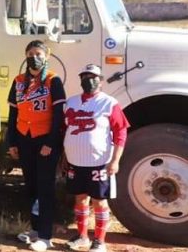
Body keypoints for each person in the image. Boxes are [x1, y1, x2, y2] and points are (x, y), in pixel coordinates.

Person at [6, 40, 66, 251]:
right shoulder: (19, 81)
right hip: (24, 139)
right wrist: (11, 142)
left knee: (45, 187)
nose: (34, 57)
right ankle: (35, 228)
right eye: (30, 53)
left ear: (46, 56)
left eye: (38, 53)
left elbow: (59, 115)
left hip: (45, 141)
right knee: (30, 185)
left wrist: (51, 142)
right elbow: (14, 113)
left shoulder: (53, 80)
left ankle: (45, 236)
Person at [63, 64, 129, 252]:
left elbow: (120, 133)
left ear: (100, 80)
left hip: (99, 163)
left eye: (93, 76)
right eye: (84, 76)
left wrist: (115, 160)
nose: (88, 80)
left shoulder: (109, 103)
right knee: (80, 199)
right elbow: (64, 129)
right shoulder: (72, 102)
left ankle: (99, 241)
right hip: (75, 162)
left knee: (100, 201)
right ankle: (82, 236)